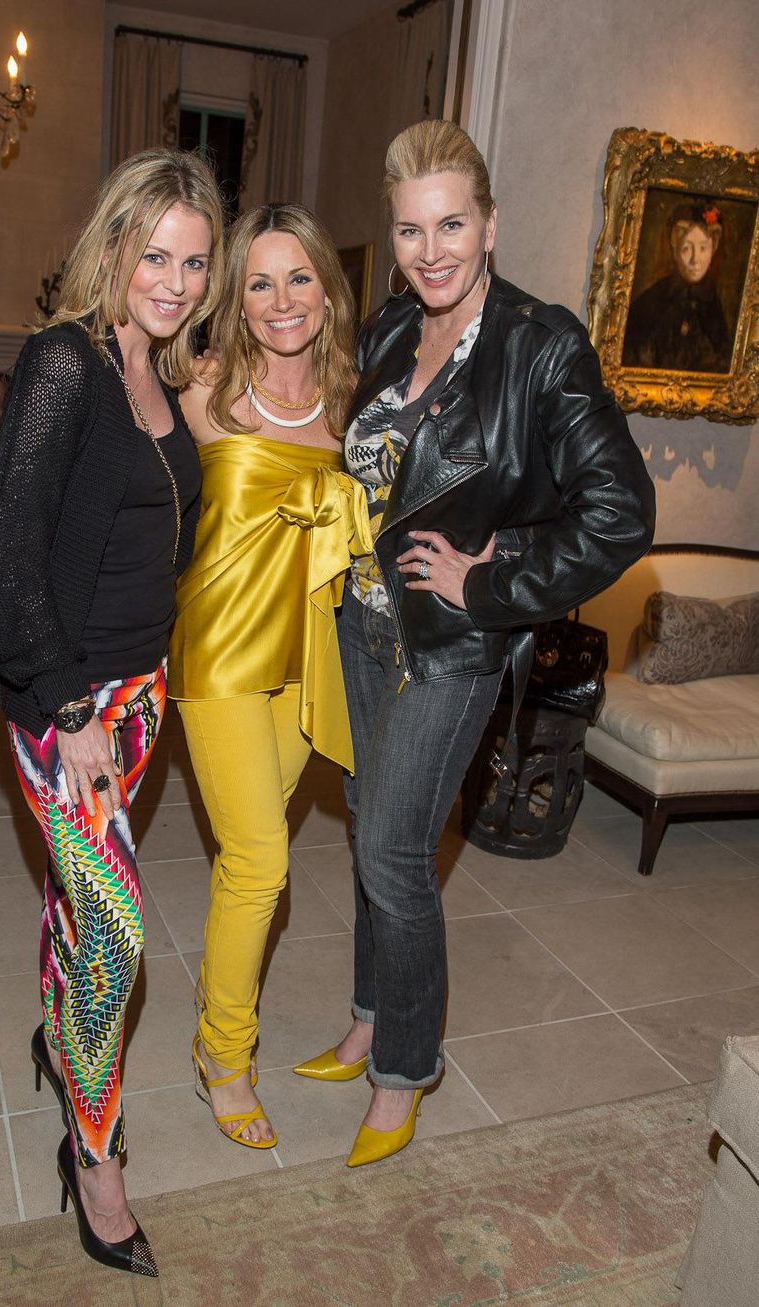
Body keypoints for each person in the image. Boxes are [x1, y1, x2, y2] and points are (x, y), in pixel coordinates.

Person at [295, 120, 655, 1167]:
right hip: (362, 625)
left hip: (454, 642)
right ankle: (369, 1015)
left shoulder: (542, 346)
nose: (430, 250)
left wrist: (493, 578)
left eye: (451, 224)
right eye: (410, 230)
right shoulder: (386, 329)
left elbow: (620, 514)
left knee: (394, 850)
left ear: (489, 224)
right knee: (369, 827)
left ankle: (405, 1066)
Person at [0, 148, 224, 1277]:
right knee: (117, 934)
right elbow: (7, 566)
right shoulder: (63, 362)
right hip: (64, 703)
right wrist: (70, 708)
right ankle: (95, 1157)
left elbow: (163, 528)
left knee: (79, 902)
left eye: (195, 261)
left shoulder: (161, 371)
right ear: (113, 245)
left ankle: (56, 1036)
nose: (174, 280)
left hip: (138, 694)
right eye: (154, 255)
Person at [169, 203, 370, 1149]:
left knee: (248, 855)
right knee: (260, 861)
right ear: (236, 298)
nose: (282, 299)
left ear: (328, 290)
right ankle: (223, 1054)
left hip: (306, 654)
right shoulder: (203, 385)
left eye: (299, 278)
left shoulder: (351, 400)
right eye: (260, 281)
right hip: (217, 650)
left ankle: (217, 1004)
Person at [623, 201, 731, 373]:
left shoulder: (714, 305)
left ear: (713, 249)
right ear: (675, 249)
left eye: (703, 248)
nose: (695, 260)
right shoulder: (652, 300)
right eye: (687, 248)